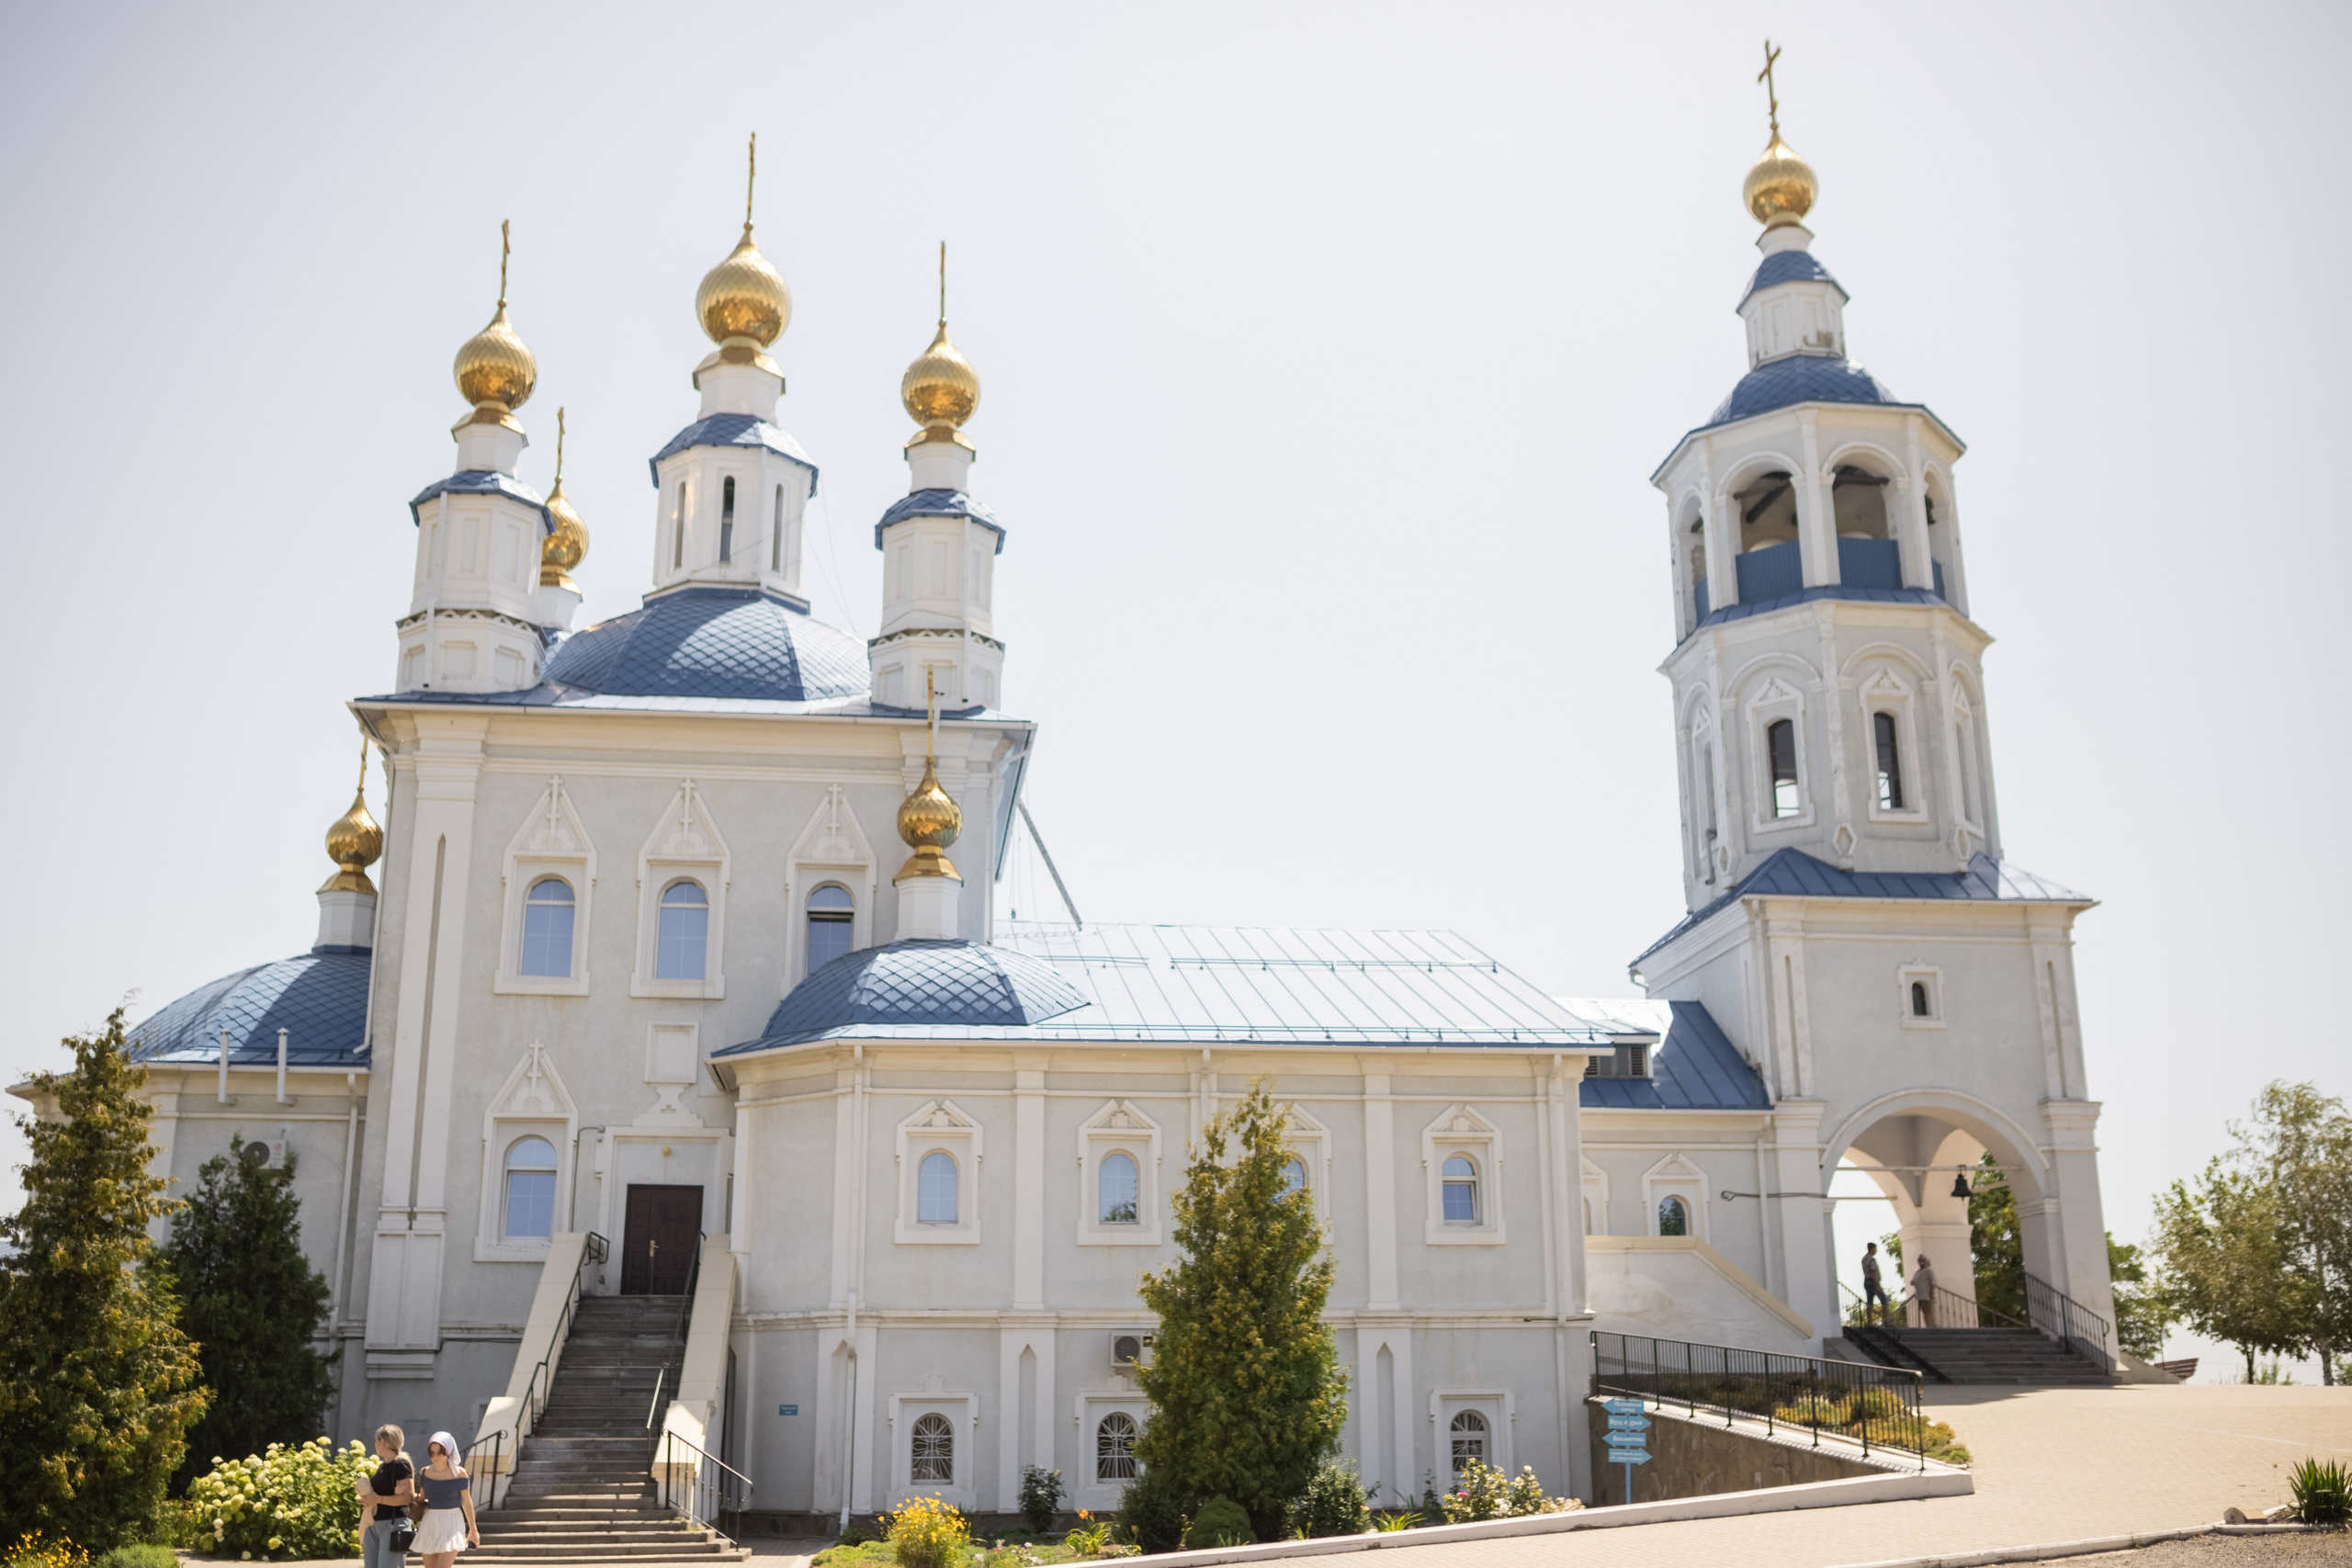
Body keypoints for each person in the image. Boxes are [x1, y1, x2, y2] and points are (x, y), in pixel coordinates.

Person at [413, 1431, 480, 1562]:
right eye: (432, 1453)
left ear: (448, 1451)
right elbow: (421, 1498)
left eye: (440, 1452)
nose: (436, 1457)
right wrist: (405, 1493)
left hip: (451, 1522)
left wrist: (473, 1530)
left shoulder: (459, 1473)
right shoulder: (425, 1472)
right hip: (429, 1521)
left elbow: (466, 1502)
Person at [356, 1424, 413, 1568]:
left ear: (382, 1442)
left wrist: (378, 1499)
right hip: (374, 1523)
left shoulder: (400, 1464)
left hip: (393, 1524)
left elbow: (408, 1497)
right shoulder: (383, 1466)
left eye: (376, 1441)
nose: (375, 1444)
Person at [1860, 1241, 1891, 1326]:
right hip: (1873, 1282)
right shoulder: (1871, 1259)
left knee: (1870, 1302)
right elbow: (1873, 1271)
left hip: (1867, 1281)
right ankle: (1887, 1321)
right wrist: (1877, 1284)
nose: (1876, 1251)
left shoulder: (1864, 1258)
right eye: (1875, 1249)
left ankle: (1870, 1322)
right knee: (1884, 1301)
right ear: (1872, 1249)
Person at [1913, 1255, 1939, 1327]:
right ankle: (1928, 1326)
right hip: (1920, 1296)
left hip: (1927, 1295)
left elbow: (1933, 1282)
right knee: (1924, 1311)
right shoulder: (1917, 1272)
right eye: (1919, 1260)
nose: (1921, 1262)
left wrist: (1932, 1293)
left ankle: (1933, 1326)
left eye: (1922, 1260)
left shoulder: (1928, 1270)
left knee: (1930, 1310)